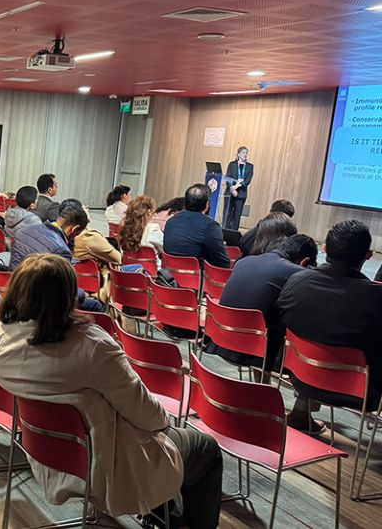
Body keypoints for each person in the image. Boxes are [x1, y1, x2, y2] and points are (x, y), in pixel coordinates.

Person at [0, 253, 222, 528]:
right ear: (67, 297)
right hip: (105, 460)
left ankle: (160, 512)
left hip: (48, 451)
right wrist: (161, 426)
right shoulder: (91, 347)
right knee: (204, 448)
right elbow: (148, 416)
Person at [277, 220, 382, 431]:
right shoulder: (375, 298)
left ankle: (301, 411)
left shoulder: (297, 281)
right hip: (358, 391)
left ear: (324, 249)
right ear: (368, 255)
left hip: (297, 374)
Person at [204, 234, 317, 376]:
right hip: (255, 351)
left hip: (219, 339)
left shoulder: (244, 261)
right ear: (305, 261)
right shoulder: (297, 273)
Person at [163, 184, 230, 268]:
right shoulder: (210, 226)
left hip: (168, 277)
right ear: (207, 204)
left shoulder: (171, 221)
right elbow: (222, 263)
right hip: (198, 278)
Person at [10, 202, 86, 269]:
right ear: (75, 229)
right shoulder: (62, 251)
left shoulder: (24, 230)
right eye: (77, 234)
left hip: (12, 281)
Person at [222, 146, 254, 230]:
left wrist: (236, 187)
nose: (245, 154)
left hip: (241, 193)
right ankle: (224, 231)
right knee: (227, 213)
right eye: (243, 152)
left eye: (246, 153)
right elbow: (228, 178)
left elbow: (247, 181)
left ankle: (233, 234)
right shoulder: (232, 164)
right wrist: (232, 189)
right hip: (230, 193)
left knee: (237, 215)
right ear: (238, 154)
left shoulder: (250, 166)